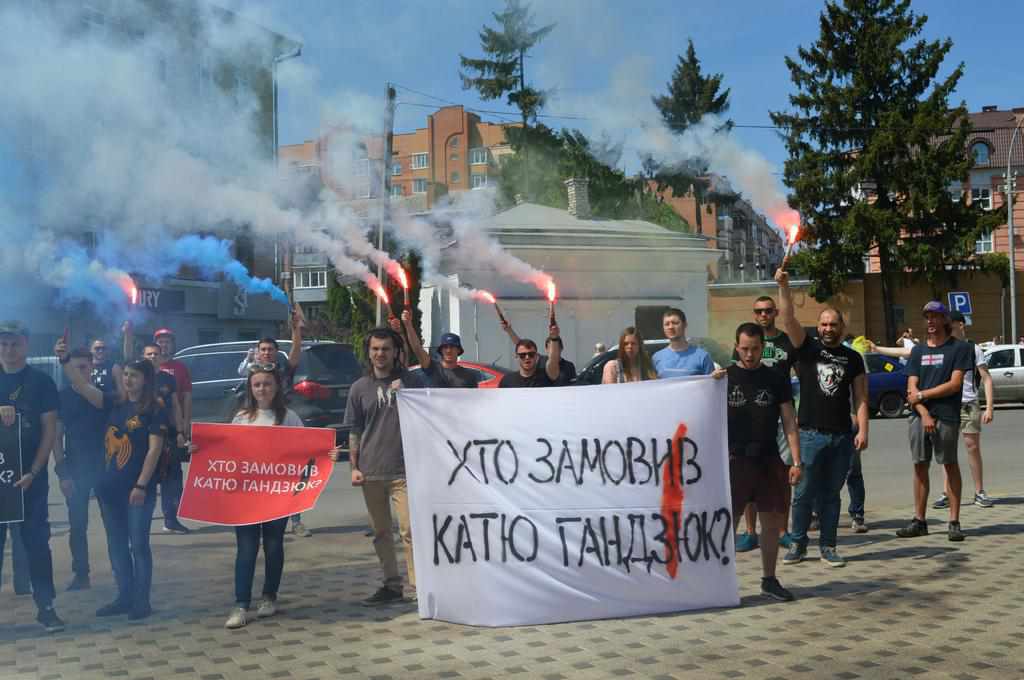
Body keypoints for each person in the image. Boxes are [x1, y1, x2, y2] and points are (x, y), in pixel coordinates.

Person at [215, 363, 342, 629]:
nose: (262, 389)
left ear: (276, 387)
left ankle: (269, 597)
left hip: (278, 496)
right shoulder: (241, 418)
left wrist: (327, 454)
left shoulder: (290, 418)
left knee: (273, 546)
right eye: (257, 384)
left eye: (267, 384)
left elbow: (307, 449)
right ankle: (240, 604)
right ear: (250, 388)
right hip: (246, 497)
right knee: (246, 549)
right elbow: (226, 452)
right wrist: (200, 450)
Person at [58, 338, 169, 620]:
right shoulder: (113, 403)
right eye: (126, 374)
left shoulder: (154, 409)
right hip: (109, 489)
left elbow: (154, 450)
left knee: (138, 545)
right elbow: (82, 386)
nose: (128, 380)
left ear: (146, 379)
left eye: (135, 375)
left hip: (137, 490)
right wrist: (64, 360)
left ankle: (142, 601)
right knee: (116, 545)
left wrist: (141, 484)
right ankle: (124, 596)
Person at [775, 271, 869, 568]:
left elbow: (861, 398)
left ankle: (828, 546)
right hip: (809, 435)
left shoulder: (853, 358)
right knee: (803, 493)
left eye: (833, 324)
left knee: (831, 496)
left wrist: (863, 430)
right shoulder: (807, 349)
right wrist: (783, 286)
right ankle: (798, 544)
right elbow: (788, 319)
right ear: (818, 327)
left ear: (842, 327)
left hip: (842, 436)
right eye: (824, 324)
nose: (828, 329)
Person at [333, 328, 425, 605]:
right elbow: (355, 430)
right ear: (369, 352)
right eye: (375, 349)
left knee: (410, 531)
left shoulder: (411, 381)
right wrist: (354, 467)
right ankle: (391, 585)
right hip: (371, 471)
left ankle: (420, 587)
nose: (380, 354)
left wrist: (407, 394)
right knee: (381, 533)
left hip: (405, 470)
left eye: (385, 349)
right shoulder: (359, 388)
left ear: (395, 352)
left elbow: (429, 413)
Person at [727, 322, 802, 601]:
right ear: (736, 347)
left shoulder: (775, 378)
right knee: (728, 523)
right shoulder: (723, 378)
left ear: (763, 348)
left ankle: (769, 580)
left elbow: (789, 422)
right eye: (745, 349)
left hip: (768, 459)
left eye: (755, 349)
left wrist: (796, 461)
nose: (750, 354)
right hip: (734, 461)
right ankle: (722, 581)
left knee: (771, 522)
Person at [0, 321, 63, 632]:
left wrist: (35, 471)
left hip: (31, 481)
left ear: (26, 345)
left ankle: (46, 607)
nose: (9, 350)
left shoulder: (41, 382)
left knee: (37, 544)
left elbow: (50, 430)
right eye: (3, 344)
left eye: (15, 343)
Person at [895, 302, 973, 542]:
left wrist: (922, 395)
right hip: (919, 417)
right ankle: (919, 521)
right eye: (927, 316)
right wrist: (924, 412)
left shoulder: (960, 348)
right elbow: (911, 388)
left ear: (945, 320)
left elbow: (955, 384)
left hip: (947, 416)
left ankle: (954, 522)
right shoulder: (918, 351)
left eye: (935, 316)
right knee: (920, 466)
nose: (930, 321)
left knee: (949, 465)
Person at [234, 308, 309, 537]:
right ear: (258, 352)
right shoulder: (251, 372)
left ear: (276, 352)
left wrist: (296, 330)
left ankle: (296, 520)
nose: (266, 352)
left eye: (270, 349)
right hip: (258, 428)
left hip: (282, 427)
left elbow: (295, 353)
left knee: (290, 474)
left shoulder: (283, 369)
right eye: (263, 349)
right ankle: (258, 516)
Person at [732, 296, 798, 553]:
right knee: (748, 482)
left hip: (780, 415)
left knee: (782, 478)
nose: (763, 315)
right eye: (759, 311)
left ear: (775, 312)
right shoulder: (744, 344)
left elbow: (801, 374)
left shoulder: (786, 342)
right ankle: (750, 532)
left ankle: (782, 531)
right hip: (749, 423)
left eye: (768, 310)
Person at [53, 347, 109, 592]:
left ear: (92, 367)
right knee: (77, 525)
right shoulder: (62, 397)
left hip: (106, 468)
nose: (78, 372)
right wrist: (62, 473)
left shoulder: (103, 394)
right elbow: (56, 437)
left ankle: (121, 570)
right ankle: (81, 574)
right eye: (74, 368)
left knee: (114, 523)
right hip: (76, 468)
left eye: (83, 367)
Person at [151, 328, 192, 534]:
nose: (164, 345)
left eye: (167, 341)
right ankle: (139, 522)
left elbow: (185, 398)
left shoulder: (180, 368)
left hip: (172, 430)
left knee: (173, 477)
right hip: (148, 432)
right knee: (147, 475)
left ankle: (171, 519)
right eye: (160, 341)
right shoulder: (144, 370)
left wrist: (185, 425)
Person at [401, 310, 479, 388]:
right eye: (445, 347)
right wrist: (408, 325)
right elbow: (417, 349)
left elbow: (474, 396)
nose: (448, 350)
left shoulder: (469, 376)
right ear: (441, 350)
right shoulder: (432, 368)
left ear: (458, 350)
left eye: (452, 347)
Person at [499, 318, 576, 384]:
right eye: (549, 348)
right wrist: (509, 330)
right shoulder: (541, 360)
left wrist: (555, 337)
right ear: (546, 349)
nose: (551, 350)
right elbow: (522, 346)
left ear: (561, 348)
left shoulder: (569, 366)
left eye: (554, 347)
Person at [652, 308, 715, 378]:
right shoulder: (657, 358)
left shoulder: (702, 357)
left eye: (675, 323)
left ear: (685, 325)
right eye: (667, 324)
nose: (671, 327)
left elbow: (711, 383)